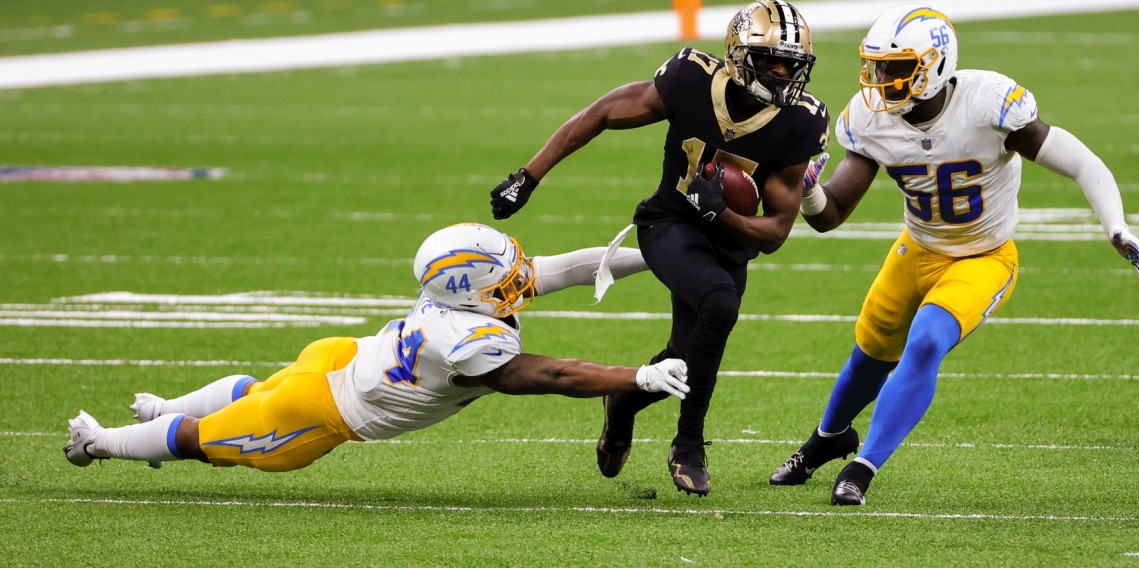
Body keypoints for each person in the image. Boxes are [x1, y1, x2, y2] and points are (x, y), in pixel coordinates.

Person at [768, 3, 1139, 506]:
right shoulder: (870, 118)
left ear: (934, 66)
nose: (880, 79)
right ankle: (828, 437)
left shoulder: (988, 103)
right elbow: (831, 213)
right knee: (868, 356)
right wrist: (808, 192)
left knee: (927, 340)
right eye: (877, 65)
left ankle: (863, 467)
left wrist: (1116, 225)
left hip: (984, 256)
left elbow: (1079, 161)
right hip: (917, 249)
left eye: (896, 67)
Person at [490, 0, 829, 497]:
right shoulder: (692, 80)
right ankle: (688, 444)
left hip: (728, 242)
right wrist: (528, 176)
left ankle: (624, 401)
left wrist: (723, 214)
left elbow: (775, 233)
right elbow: (602, 113)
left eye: (792, 64)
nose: (782, 73)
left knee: (689, 355)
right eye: (771, 60)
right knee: (719, 302)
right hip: (669, 222)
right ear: (738, 55)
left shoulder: (799, 121)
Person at [64, 223, 689, 473]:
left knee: (253, 391)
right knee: (201, 440)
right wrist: (636, 376)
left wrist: (660, 260)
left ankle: (159, 408)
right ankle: (101, 442)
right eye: (506, 276)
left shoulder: (462, 298)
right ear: (470, 291)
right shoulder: (463, 338)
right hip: (322, 413)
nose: (523, 277)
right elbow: (550, 375)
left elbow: (571, 269)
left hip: (341, 357)